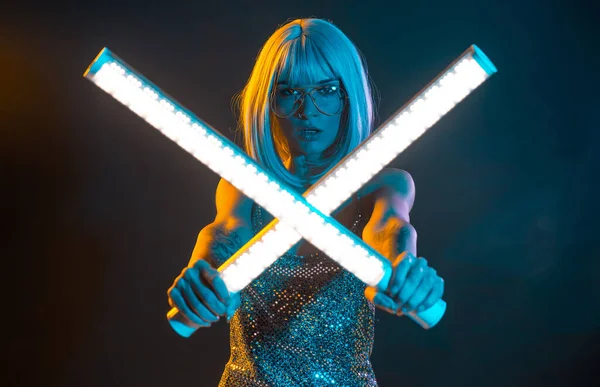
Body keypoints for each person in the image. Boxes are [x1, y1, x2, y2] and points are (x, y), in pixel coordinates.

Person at [167, 18, 444, 386]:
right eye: (288, 91)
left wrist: (404, 270)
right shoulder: (242, 185)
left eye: (326, 89)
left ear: (348, 96)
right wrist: (201, 281)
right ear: (268, 99)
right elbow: (223, 234)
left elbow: (391, 228)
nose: (307, 110)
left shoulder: (382, 185)